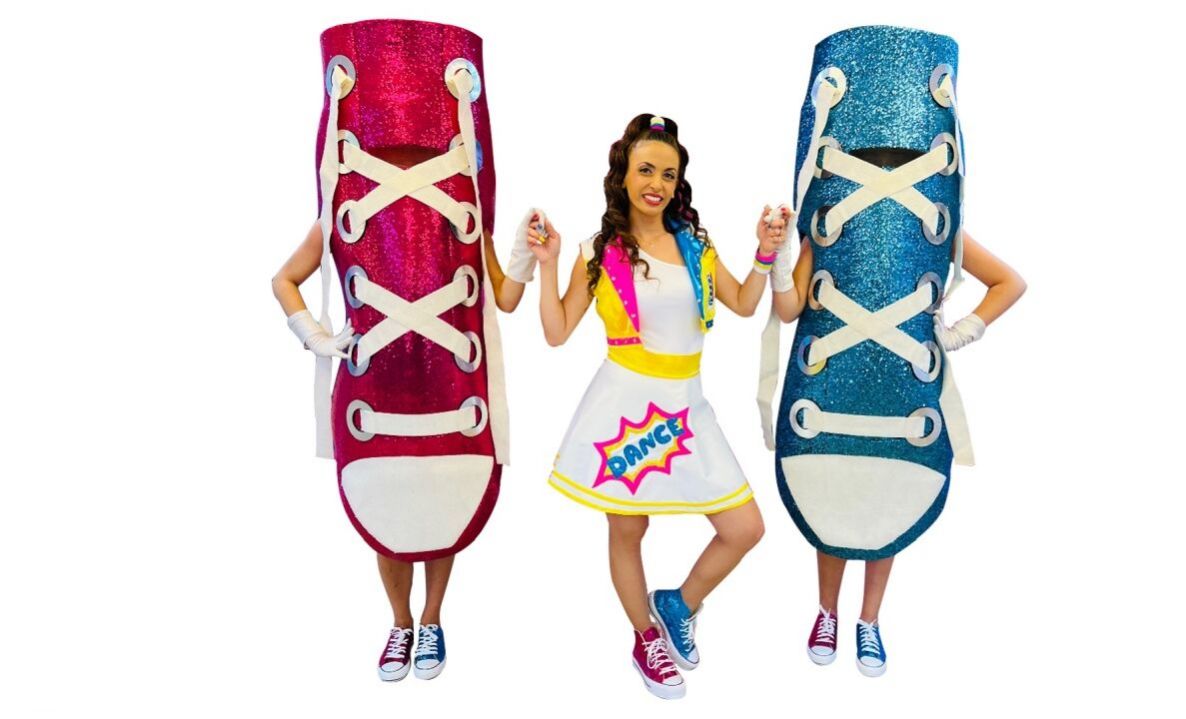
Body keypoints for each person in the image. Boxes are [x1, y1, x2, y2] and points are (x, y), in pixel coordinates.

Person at [270, 19, 533, 683]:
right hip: (376, 391)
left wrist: (529, 255)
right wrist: (315, 335)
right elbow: (284, 280)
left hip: (451, 388)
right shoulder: (339, 210)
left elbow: (503, 298)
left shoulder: (468, 212)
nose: (407, 164)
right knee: (390, 515)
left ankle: (434, 618)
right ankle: (399, 622)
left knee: (441, 512)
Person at [761, 26, 1027, 677]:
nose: (883, 165)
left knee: (885, 500)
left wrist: (961, 330)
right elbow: (790, 309)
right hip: (832, 382)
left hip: (901, 389)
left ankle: (869, 620)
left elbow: (1009, 283)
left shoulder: (941, 227)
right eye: (871, 157)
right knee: (833, 498)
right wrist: (774, 258)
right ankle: (827, 611)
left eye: (896, 158)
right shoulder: (821, 226)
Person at [527, 114, 782, 699]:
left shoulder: (696, 244)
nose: (657, 184)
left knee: (744, 527)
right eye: (646, 170)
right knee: (629, 528)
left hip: (687, 405)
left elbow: (743, 303)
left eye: (669, 174)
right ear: (622, 175)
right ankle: (645, 637)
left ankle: (677, 603)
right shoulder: (598, 252)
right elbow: (557, 331)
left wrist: (765, 254)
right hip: (624, 406)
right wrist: (548, 264)